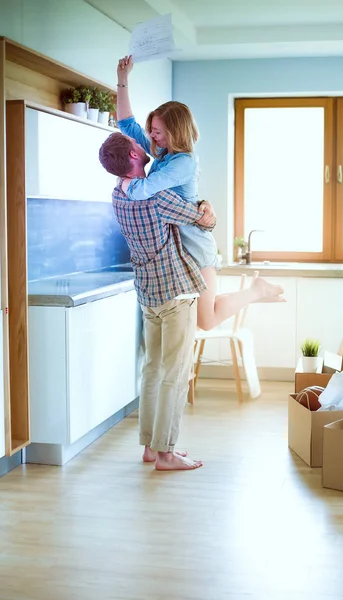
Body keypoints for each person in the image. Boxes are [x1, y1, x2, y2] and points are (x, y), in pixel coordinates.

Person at [116, 55, 285, 332]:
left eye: (157, 131)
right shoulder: (164, 153)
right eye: (152, 131)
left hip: (194, 246)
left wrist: (123, 184)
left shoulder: (184, 161)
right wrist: (123, 80)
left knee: (205, 321)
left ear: (173, 131)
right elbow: (126, 124)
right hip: (179, 251)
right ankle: (256, 290)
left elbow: (143, 191)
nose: (151, 136)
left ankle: (255, 291)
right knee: (202, 314)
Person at [99, 132, 216, 471]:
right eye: (137, 145)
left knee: (152, 370)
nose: (144, 145)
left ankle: (150, 446)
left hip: (148, 294)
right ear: (133, 157)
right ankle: (166, 453)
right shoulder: (158, 199)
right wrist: (207, 208)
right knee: (176, 374)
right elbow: (203, 220)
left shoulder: (117, 195)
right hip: (176, 293)